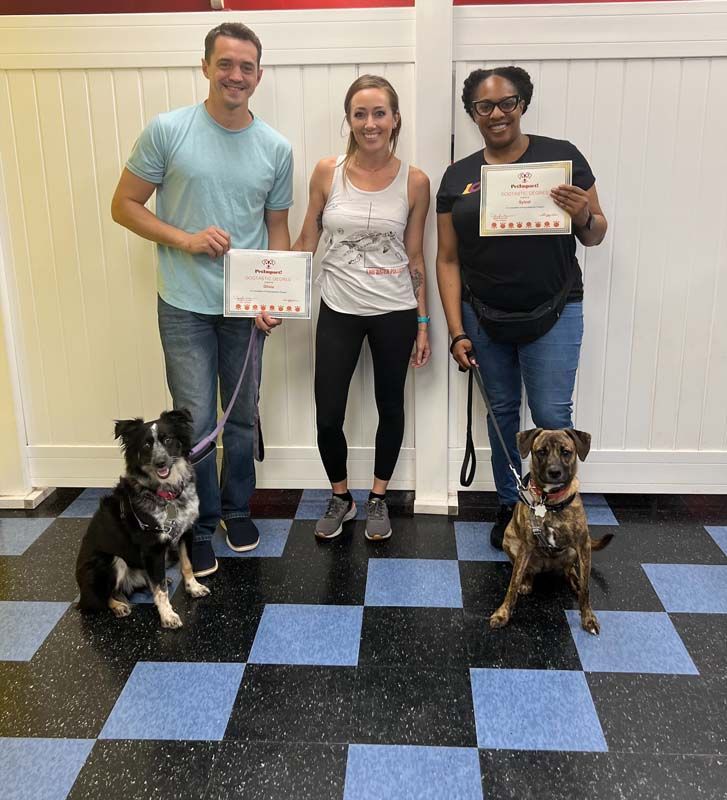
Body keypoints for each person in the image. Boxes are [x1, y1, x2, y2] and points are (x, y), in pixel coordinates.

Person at [111, 22, 293, 576]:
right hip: (185, 303)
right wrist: (185, 239)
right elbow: (125, 205)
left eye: (247, 67)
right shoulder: (168, 131)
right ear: (206, 65)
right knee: (193, 422)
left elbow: (277, 229)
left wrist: (275, 296)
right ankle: (200, 521)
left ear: (258, 76)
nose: (235, 75)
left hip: (246, 312)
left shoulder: (275, 147)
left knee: (240, 418)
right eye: (226, 64)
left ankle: (237, 510)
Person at [436, 66, 607, 549]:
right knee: (502, 418)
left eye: (506, 102)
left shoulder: (562, 157)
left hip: (554, 311)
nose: (496, 114)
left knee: (553, 414)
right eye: (484, 106)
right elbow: (446, 258)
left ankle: (558, 512)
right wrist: (455, 328)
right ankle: (514, 508)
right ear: (472, 113)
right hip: (483, 317)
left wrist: (583, 214)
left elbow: (595, 234)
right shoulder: (459, 176)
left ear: (523, 103)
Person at [293, 74, 431, 542]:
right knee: (328, 413)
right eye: (360, 114)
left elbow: (415, 256)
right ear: (349, 121)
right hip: (339, 305)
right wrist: (274, 292)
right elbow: (307, 240)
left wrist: (425, 323)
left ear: (395, 120)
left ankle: (377, 497)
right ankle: (341, 497)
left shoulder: (415, 181)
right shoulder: (326, 172)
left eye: (379, 113)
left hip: (395, 309)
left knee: (389, 406)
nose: (369, 123)